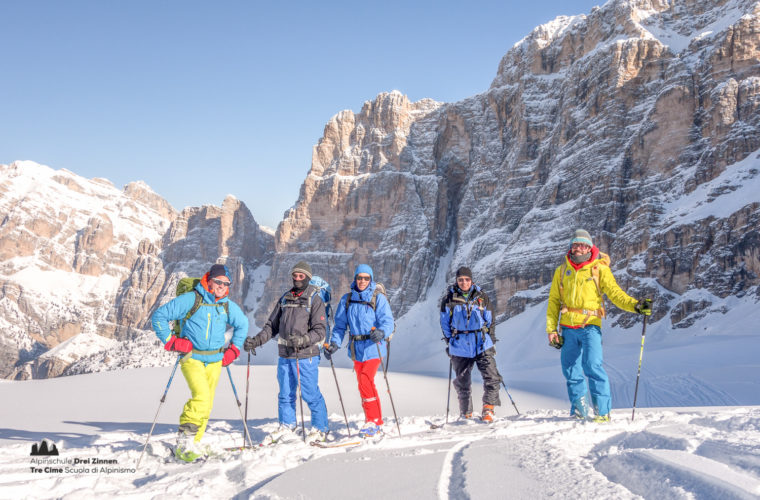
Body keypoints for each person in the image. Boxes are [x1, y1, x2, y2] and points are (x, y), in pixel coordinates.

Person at [546, 229, 652, 423]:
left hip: (590, 326)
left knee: (592, 365)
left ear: (590, 247)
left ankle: (602, 413)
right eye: (576, 244)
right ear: (571, 246)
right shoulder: (561, 271)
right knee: (570, 369)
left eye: (583, 245)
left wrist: (636, 306)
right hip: (568, 328)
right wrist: (552, 330)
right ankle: (580, 409)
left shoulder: (599, 269)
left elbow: (615, 293)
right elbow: (553, 302)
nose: (579, 248)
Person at [151, 263, 248, 462]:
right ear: (209, 280)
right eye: (218, 281)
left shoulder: (226, 304)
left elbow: (243, 324)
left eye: (226, 283)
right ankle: (183, 444)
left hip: (215, 360)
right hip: (192, 357)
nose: (221, 286)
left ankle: (194, 442)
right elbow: (159, 316)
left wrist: (234, 349)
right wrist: (171, 341)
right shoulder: (192, 298)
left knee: (207, 404)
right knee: (202, 397)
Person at [243, 261, 329, 443]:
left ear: (308, 277)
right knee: (285, 393)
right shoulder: (285, 298)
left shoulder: (315, 299)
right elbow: (271, 326)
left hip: (306, 356)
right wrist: (256, 341)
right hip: (285, 355)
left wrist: (304, 340)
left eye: (301, 276)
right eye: (295, 275)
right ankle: (287, 425)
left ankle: (320, 428)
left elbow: (320, 330)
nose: (297, 279)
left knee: (310, 393)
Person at [324, 264, 394, 438]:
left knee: (365, 380)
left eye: (366, 278)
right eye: (359, 277)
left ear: (371, 279)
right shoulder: (347, 300)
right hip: (356, 348)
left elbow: (388, 321)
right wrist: (334, 343)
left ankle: (372, 420)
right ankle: (375, 421)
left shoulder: (378, 298)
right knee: (364, 384)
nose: (362, 281)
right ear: (355, 279)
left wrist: (381, 332)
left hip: (373, 346)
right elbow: (340, 326)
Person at [439, 266, 500, 422]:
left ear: (471, 280)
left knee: (492, 376)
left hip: (481, 342)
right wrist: (450, 341)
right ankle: (466, 413)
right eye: (460, 280)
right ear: (457, 281)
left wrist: (490, 339)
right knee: (462, 381)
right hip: (460, 345)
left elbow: (490, 319)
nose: (464, 282)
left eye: (466, 279)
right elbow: (445, 323)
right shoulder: (449, 299)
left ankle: (488, 408)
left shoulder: (481, 297)